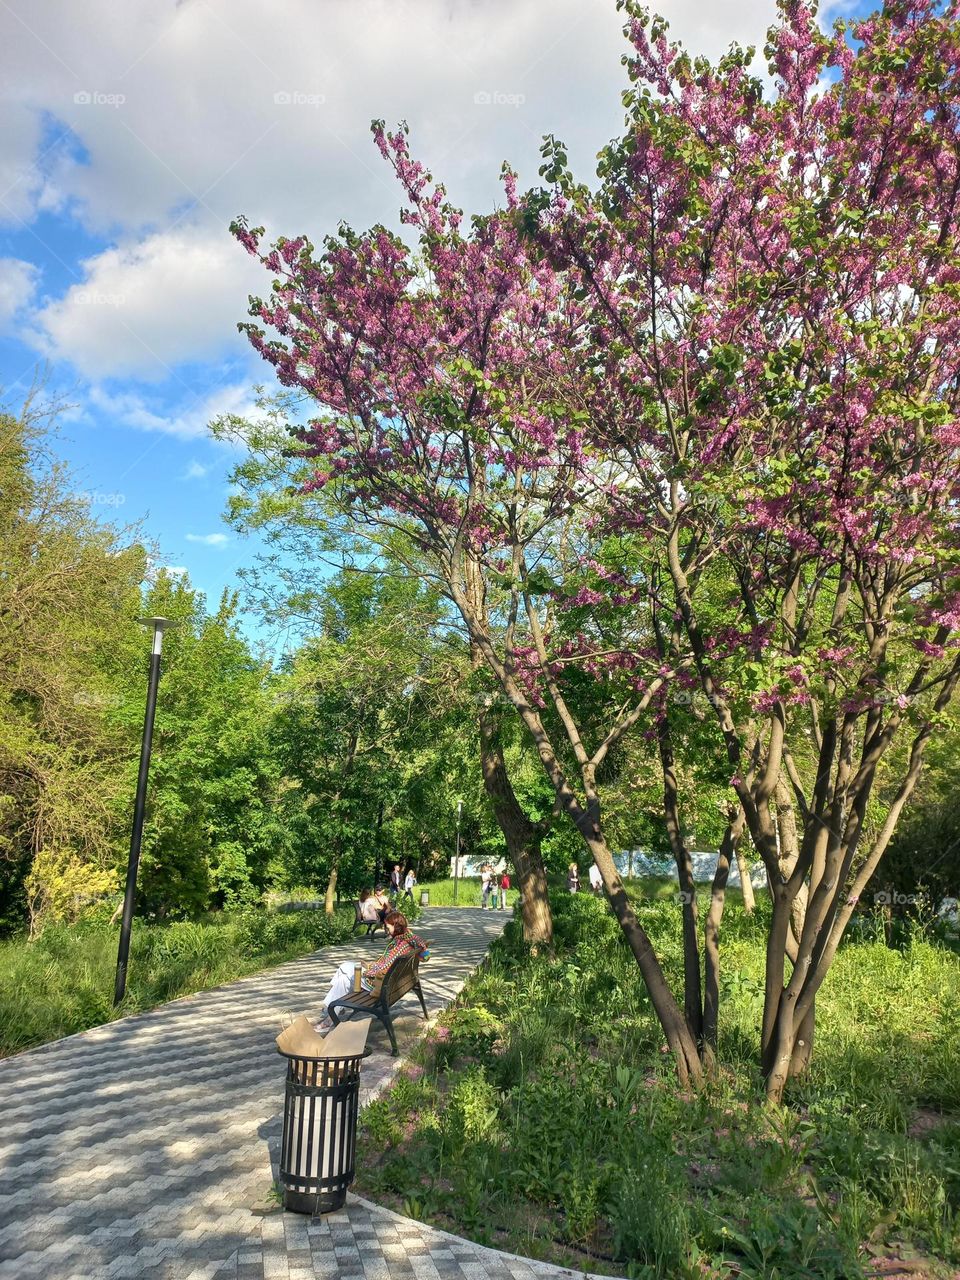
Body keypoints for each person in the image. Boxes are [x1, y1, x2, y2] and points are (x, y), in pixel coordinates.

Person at [315, 909, 428, 1031]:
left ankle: (330, 1011)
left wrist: (368, 968)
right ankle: (332, 1014)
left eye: (387, 926)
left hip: (377, 984)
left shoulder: (401, 945)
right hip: (392, 985)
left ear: (396, 926)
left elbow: (385, 967)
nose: (385, 929)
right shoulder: (407, 940)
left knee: (344, 968)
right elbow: (422, 954)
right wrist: (371, 965)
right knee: (343, 978)